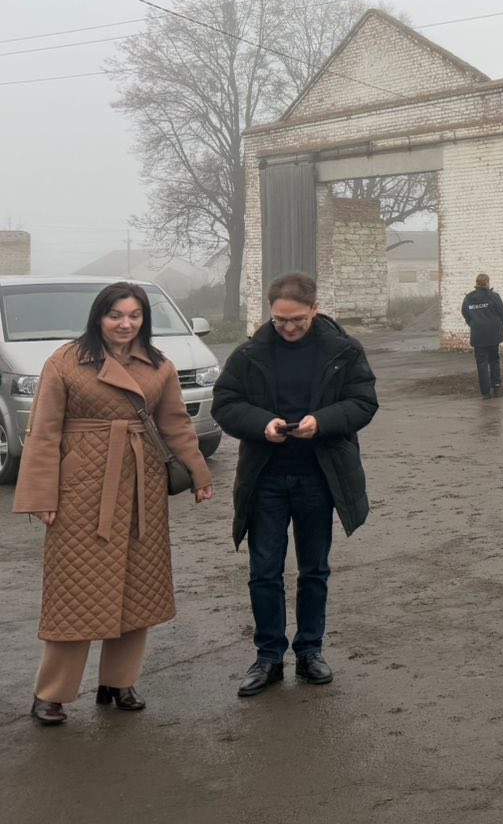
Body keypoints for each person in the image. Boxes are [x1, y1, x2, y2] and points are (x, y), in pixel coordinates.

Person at [13, 281, 214, 725]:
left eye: (134, 315)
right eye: (115, 315)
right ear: (99, 317)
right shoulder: (66, 361)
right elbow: (43, 431)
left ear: (144, 319)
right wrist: (42, 494)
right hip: (81, 488)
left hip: (142, 485)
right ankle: (51, 694)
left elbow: (176, 423)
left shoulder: (158, 365)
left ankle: (119, 682)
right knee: (75, 592)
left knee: (137, 589)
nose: (125, 324)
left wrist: (199, 474)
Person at [212, 272, 378, 697]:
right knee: (264, 570)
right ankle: (268, 657)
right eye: (280, 319)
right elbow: (226, 404)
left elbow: (363, 402)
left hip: (319, 476)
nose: (288, 327)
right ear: (270, 313)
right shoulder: (249, 354)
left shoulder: (344, 350)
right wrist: (261, 424)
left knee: (314, 569)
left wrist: (321, 422)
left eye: (297, 319)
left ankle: (310, 652)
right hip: (265, 477)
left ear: (314, 309)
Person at [460, 273, 503, 399]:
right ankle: (496, 387)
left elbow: (465, 314)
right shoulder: (494, 296)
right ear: (487, 282)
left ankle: (485, 393)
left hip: (478, 335)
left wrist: (474, 325)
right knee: (494, 360)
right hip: (493, 334)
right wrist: (497, 325)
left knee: (482, 364)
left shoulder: (469, 298)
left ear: (476, 283)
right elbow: (502, 314)